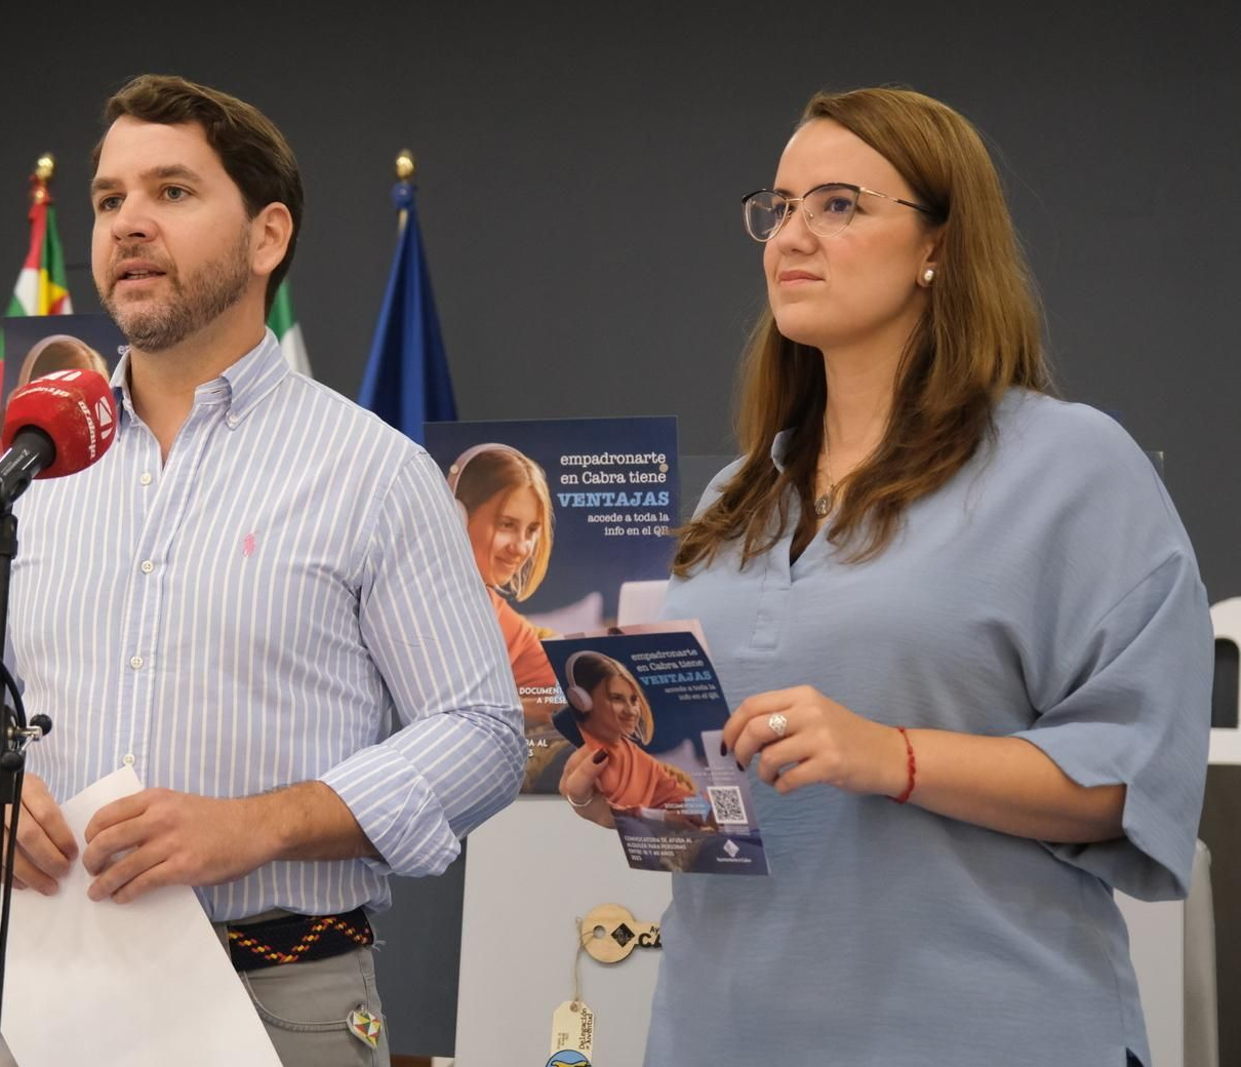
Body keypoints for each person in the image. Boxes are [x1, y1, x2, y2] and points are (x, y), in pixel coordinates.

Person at [560, 87, 1209, 1067]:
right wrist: (636, 785)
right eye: (776, 208)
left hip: (984, 1033)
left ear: (937, 246)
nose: (789, 236)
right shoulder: (736, 494)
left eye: (837, 204)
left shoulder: (1070, 464)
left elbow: (1131, 775)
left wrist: (889, 754)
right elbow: (717, 785)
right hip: (718, 1032)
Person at [0, 73, 524, 1067]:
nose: (128, 223)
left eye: (172, 192)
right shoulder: (34, 462)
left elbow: (482, 734)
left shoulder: (374, 473)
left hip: (282, 995)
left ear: (268, 236)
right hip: (42, 989)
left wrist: (262, 824)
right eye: (109, 200)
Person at [447, 443, 560, 728]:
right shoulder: (425, 599)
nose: (522, 548)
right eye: (507, 524)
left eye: (532, 530)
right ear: (456, 518)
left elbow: (557, 711)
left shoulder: (497, 615)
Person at [560, 651, 694, 810]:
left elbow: (683, 800)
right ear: (582, 701)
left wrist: (709, 810)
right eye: (616, 698)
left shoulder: (643, 761)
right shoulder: (570, 754)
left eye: (634, 699)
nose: (631, 711)